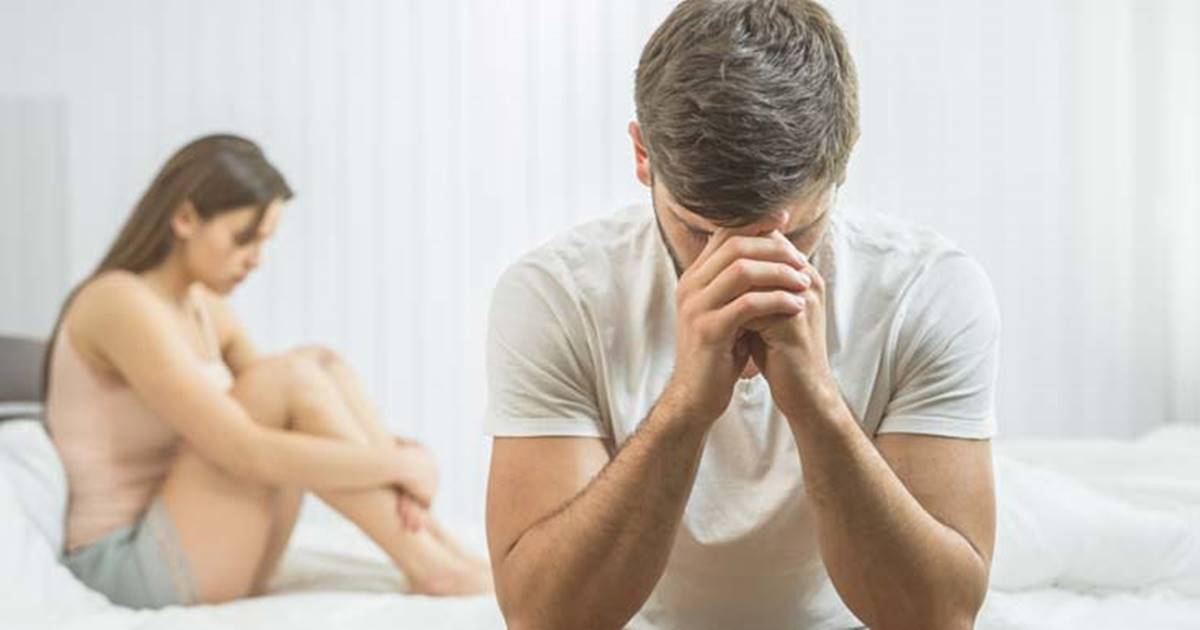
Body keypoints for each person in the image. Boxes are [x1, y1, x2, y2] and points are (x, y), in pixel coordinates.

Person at [484, 1, 999, 628]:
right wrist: (685, 407)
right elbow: (541, 617)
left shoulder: (928, 290)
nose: (743, 270)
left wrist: (818, 405)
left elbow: (939, 615)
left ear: (845, 160)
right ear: (643, 155)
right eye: (701, 232)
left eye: (795, 233)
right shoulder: (556, 295)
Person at [44, 134, 491, 609]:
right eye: (244, 238)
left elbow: (300, 402)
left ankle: (433, 545)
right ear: (185, 218)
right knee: (291, 378)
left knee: (320, 363)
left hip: (209, 544)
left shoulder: (202, 305)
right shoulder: (117, 301)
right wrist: (400, 464)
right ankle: (431, 562)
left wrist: (390, 457)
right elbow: (246, 451)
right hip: (127, 564)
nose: (255, 259)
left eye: (263, 242)